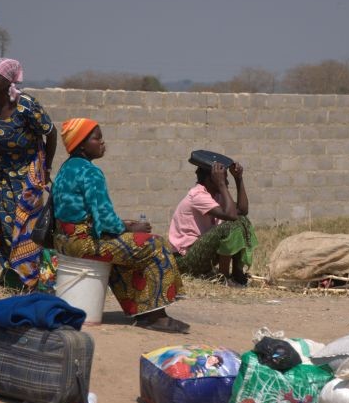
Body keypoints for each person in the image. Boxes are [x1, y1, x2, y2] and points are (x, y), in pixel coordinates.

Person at [52, 118, 189, 334]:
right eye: (97, 138)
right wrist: (130, 228)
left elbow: (88, 215)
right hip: (84, 243)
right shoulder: (90, 172)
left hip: (64, 240)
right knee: (155, 245)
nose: (102, 142)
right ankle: (155, 316)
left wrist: (124, 225)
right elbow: (106, 221)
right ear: (81, 144)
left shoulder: (66, 168)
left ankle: (143, 311)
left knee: (125, 247)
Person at [0, 58, 58, 289]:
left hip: (28, 174)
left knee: (24, 226)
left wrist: (46, 168)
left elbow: (51, 133)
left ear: (9, 81)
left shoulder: (25, 106)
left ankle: (29, 281)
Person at [168, 157, 258, 287]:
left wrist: (238, 179)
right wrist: (221, 184)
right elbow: (231, 216)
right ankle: (223, 277)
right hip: (184, 260)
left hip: (201, 254)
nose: (226, 182)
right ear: (211, 179)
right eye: (222, 178)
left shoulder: (215, 195)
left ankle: (238, 275)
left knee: (242, 221)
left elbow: (242, 210)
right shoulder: (198, 195)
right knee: (230, 225)